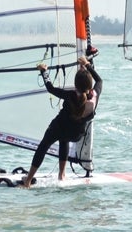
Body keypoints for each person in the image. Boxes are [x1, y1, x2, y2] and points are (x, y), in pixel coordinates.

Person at [21, 55, 102, 187]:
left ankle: (28, 181)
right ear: (90, 85)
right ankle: (61, 175)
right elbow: (100, 80)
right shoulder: (95, 97)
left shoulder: (69, 95)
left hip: (58, 129)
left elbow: (50, 88)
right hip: (76, 135)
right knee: (64, 139)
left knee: (43, 146)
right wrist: (87, 64)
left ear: (75, 85)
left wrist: (44, 71)